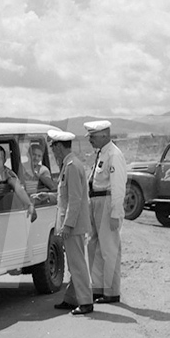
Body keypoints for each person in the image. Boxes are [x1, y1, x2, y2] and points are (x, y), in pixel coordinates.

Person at [49, 130, 93, 315]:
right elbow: (66, 196)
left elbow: (75, 199)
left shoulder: (72, 166)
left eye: (53, 147)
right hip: (72, 224)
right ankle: (72, 298)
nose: (52, 151)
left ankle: (85, 302)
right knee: (73, 264)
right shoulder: (70, 164)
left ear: (59, 147)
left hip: (73, 226)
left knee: (77, 264)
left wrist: (67, 225)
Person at [84, 120, 127, 304]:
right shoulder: (101, 154)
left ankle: (111, 291)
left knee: (109, 249)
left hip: (107, 201)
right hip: (95, 201)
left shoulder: (114, 155)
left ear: (103, 135)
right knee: (93, 247)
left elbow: (118, 186)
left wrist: (116, 213)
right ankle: (98, 288)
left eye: (92, 136)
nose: (90, 140)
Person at [0, 144, 36, 222]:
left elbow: (18, 188)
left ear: (4, 160)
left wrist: (29, 204)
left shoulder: (6, 173)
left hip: (2, 211)